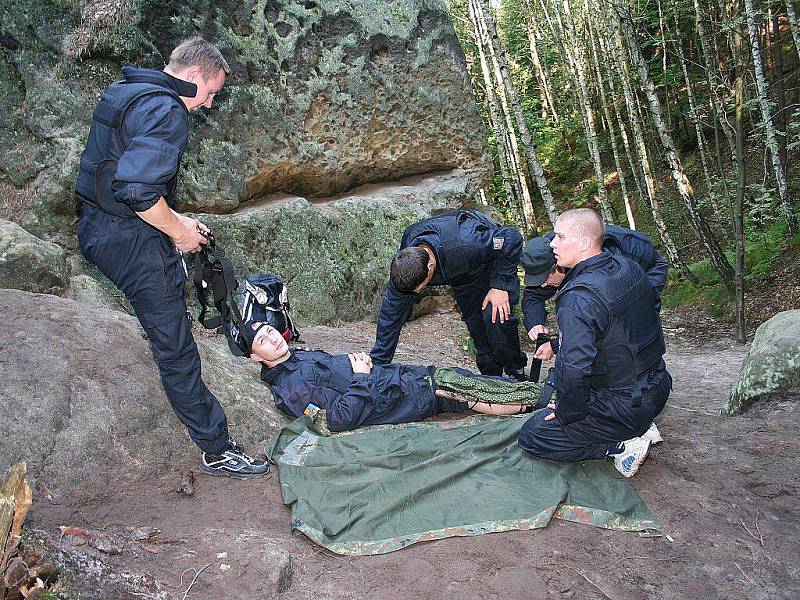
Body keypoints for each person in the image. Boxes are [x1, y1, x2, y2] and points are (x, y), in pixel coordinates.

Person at [75, 38, 269, 479]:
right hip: (127, 238)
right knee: (176, 347)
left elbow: (117, 175)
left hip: (95, 224)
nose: (208, 103)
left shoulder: (126, 91)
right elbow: (139, 192)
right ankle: (217, 448)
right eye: (212, 92)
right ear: (195, 76)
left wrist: (180, 220)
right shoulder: (168, 110)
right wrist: (179, 233)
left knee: (169, 321)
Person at [517, 209, 671, 477]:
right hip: (659, 386)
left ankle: (622, 445)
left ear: (585, 243)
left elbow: (574, 370)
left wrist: (567, 412)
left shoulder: (578, 299)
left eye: (560, 237)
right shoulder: (628, 267)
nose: (552, 243)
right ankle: (638, 425)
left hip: (625, 405)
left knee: (534, 435)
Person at [247, 322, 534, 432]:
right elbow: (338, 419)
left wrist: (358, 364)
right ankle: (540, 402)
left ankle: (538, 394)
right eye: (262, 341)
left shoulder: (295, 356)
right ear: (256, 357)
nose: (272, 339)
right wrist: (360, 376)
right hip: (393, 398)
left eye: (270, 332)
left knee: (456, 377)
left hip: (393, 378)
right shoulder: (292, 389)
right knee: (461, 393)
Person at [370, 210, 528, 380]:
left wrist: (499, 286)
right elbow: (391, 317)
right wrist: (377, 367)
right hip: (464, 277)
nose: (416, 293)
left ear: (431, 268)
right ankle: (491, 379)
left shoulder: (469, 242)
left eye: (419, 287)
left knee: (495, 317)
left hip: (490, 263)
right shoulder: (407, 263)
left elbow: (511, 238)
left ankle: (515, 371)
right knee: (477, 328)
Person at [521, 223, 668, 363]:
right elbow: (533, 296)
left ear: (558, 266)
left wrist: (555, 345)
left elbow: (597, 320)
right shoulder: (543, 255)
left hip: (647, 269)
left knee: (628, 323)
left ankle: (646, 369)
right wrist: (535, 323)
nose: (543, 284)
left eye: (544, 278)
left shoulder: (613, 258)